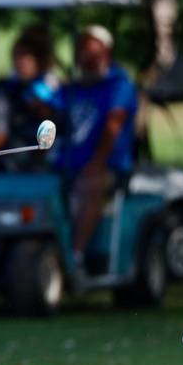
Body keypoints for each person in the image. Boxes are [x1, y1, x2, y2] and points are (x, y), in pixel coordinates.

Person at [54, 25, 138, 270]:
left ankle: (76, 256)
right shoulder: (73, 88)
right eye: (81, 51)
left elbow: (113, 126)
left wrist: (98, 163)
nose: (85, 57)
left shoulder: (119, 84)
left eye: (92, 51)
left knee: (90, 185)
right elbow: (52, 113)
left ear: (106, 52)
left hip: (108, 164)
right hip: (68, 163)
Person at [0, 26, 61, 171]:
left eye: (25, 57)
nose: (20, 62)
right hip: (16, 142)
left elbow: (49, 115)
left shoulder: (46, 84)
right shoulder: (11, 84)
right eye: (16, 56)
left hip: (43, 142)